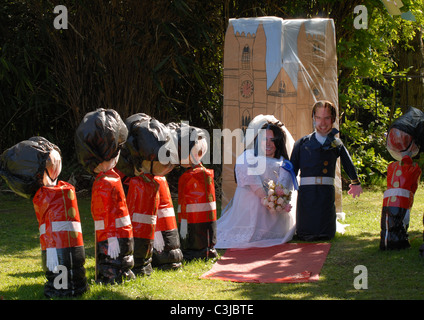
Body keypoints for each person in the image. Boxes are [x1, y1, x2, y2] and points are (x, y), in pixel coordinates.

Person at [0, 137, 88, 297]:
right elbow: (50, 227)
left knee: (70, 266)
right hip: (59, 248)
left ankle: (73, 285)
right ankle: (64, 286)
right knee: (63, 268)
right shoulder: (46, 197)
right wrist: (53, 251)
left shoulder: (56, 193)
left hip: (69, 248)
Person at [215, 114, 297, 249]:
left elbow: (284, 187)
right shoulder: (248, 157)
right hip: (249, 212)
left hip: (274, 217)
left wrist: (275, 202)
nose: (268, 143)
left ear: (278, 143)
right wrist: (265, 197)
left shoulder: (284, 164)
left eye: (273, 140)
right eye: (265, 139)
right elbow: (251, 179)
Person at [75, 108, 135, 284]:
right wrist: (111, 238)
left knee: (122, 259)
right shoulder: (105, 184)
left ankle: (122, 275)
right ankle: (110, 277)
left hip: (122, 233)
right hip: (113, 236)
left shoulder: (111, 179)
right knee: (112, 262)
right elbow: (103, 214)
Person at [290, 100, 363, 241]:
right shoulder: (302, 143)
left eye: (327, 118)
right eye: (318, 118)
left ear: (333, 119)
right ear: (313, 118)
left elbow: (348, 163)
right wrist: (283, 189)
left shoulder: (336, 143)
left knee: (325, 215)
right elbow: (291, 170)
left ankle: (325, 231)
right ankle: (306, 231)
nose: (322, 123)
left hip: (326, 192)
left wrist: (356, 182)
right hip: (307, 193)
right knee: (308, 217)